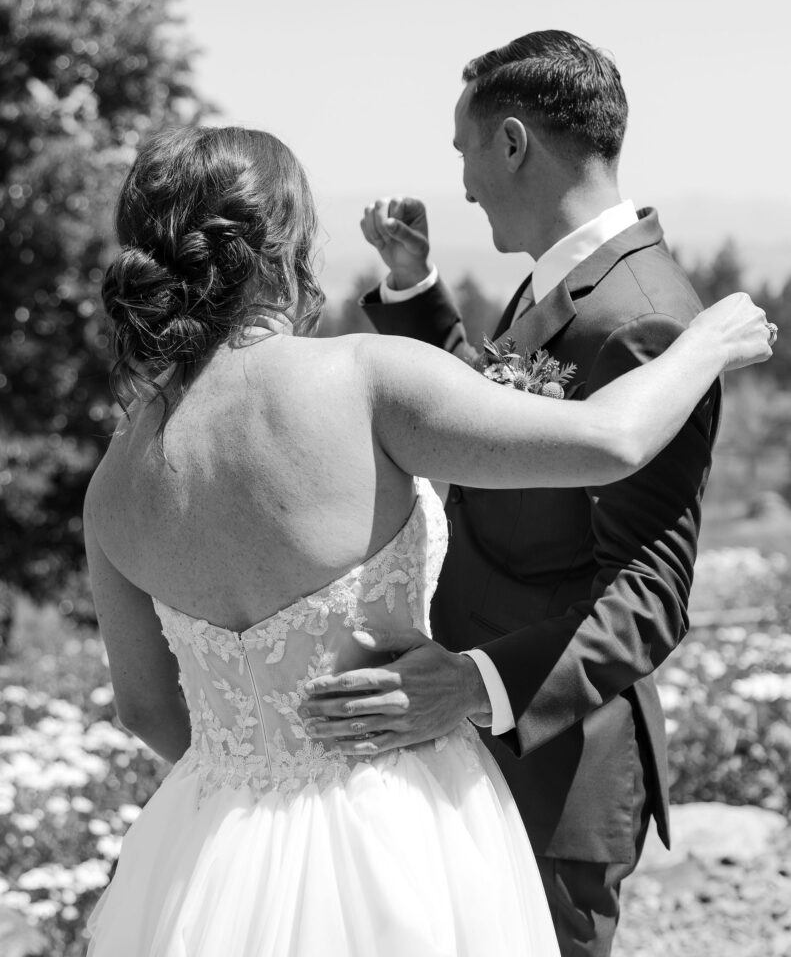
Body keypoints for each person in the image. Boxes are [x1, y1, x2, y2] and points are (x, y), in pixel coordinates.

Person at [82, 122, 772, 957]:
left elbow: (146, 707)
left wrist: (260, 781)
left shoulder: (115, 477)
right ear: (285, 241)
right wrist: (705, 344)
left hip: (210, 849)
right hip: (395, 823)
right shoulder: (359, 378)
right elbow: (609, 440)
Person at [302, 30, 778, 956]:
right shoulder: (575, 281)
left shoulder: (639, 319)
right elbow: (504, 416)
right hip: (492, 745)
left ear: (512, 142)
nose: (465, 183)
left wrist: (472, 687)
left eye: (464, 152)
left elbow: (646, 592)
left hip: (556, 768)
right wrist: (418, 292)